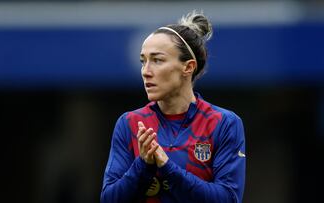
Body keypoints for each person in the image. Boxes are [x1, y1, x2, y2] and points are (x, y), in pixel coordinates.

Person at [100, 10, 246, 203]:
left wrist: (167, 167)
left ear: (188, 67)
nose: (146, 71)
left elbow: (228, 198)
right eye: (143, 61)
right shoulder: (129, 123)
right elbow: (109, 199)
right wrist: (143, 164)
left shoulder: (223, 123)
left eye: (157, 60)